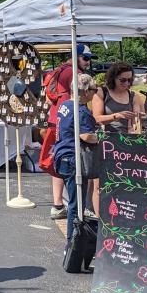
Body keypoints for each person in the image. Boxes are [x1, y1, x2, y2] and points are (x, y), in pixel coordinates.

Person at [40, 44, 94, 220]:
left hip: (57, 119)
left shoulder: (58, 70)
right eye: (85, 58)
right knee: (73, 161)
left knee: (58, 159)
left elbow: (48, 98)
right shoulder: (75, 74)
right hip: (70, 122)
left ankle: (57, 204)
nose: (88, 62)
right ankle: (76, 211)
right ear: (76, 56)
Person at [55, 75, 100, 223]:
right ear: (86, 91)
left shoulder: (65, 105)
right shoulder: (81, 111)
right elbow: (86, 136)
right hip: (73, 159)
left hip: (61, 155)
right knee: (76, 206)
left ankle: (71, 241)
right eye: (94, 89)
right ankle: (72, 243)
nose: (96, 93)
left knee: (74, 203)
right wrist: (101, 138)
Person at [92, 61, 145, 134]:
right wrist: (116, 116)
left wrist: (139, 117)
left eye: (129, 80)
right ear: (113, 78)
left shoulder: (134, 96)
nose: (126, 83)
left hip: (128, 138)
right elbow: (96, 118)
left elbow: (137, 124)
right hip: (107, 137)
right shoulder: (102, 92)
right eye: (123, 80)